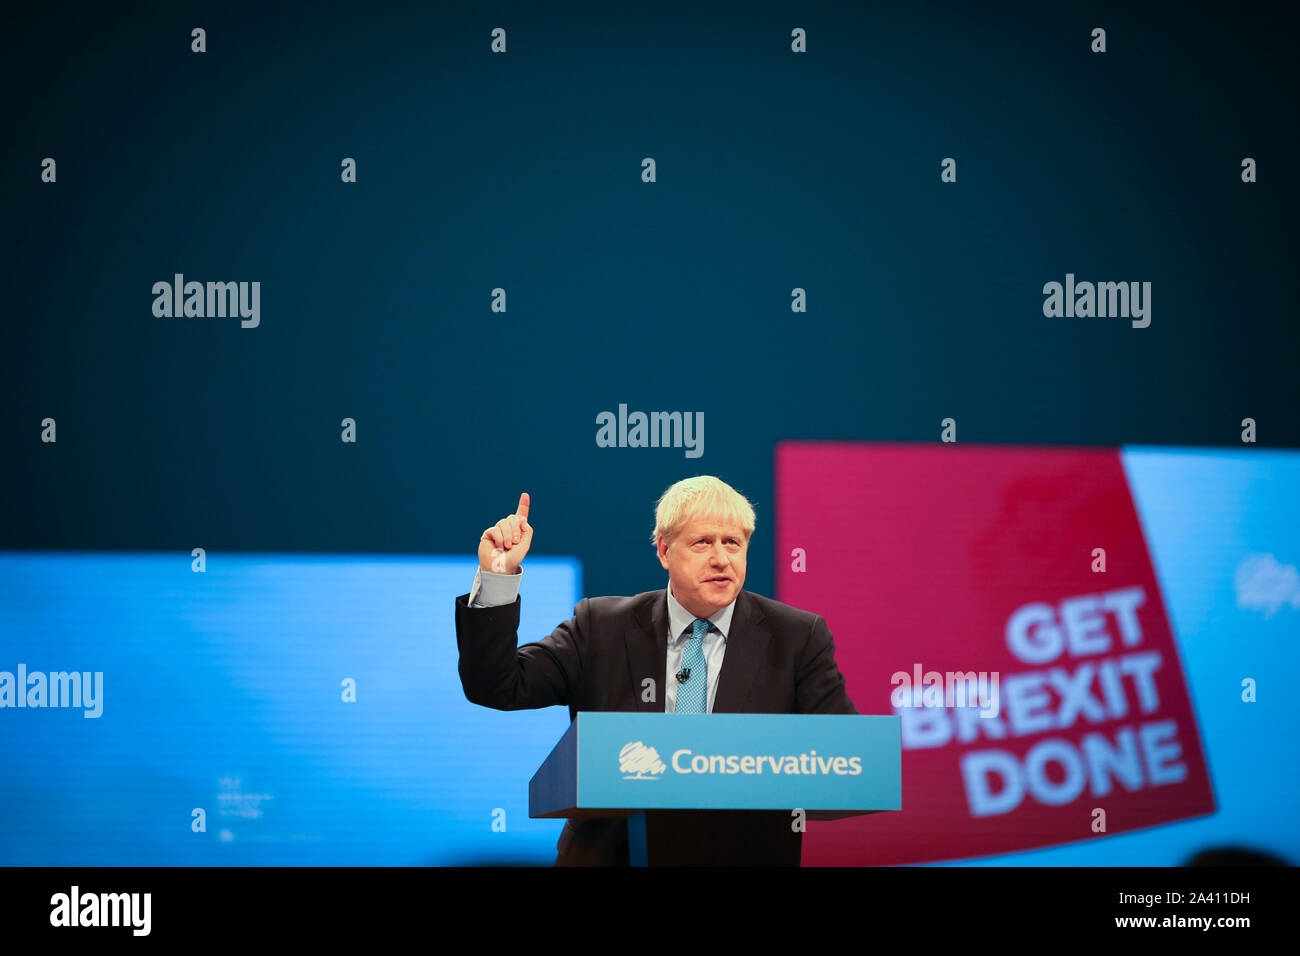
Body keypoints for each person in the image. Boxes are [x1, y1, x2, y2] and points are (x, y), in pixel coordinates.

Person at [453, 475, 858, 865]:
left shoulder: (797, 637)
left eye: (733, 543)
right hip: (610, 857)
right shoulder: (602, 626)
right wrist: (498, 578)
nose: (721, 558)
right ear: (664, 551)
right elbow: (497, 685)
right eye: (702, 542)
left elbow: (846, 758)